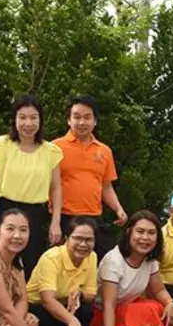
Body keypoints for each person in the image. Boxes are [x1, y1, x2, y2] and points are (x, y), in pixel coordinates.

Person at [89, 210, 173, 326]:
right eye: (140, 231)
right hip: (102, 317)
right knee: (147, 309)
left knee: (168, 309)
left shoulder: (150, 260)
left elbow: (158, 291)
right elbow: (108, 305)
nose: (145, 238)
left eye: (151, 233)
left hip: (125, 311)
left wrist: (170, 303)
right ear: (129, 232)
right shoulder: (114, 261)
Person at [0, 94, 63, 279]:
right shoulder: (1, 145)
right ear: (14, 119)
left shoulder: (51, 151)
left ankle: (25, 307)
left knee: (30, 267)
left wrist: (56, 222)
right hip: (5, 211)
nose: (28, 123)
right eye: (23, 117)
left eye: (33, 117)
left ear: (41, 120)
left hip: (36, 215)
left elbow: (56, 188)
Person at [52, 95, 128, 260]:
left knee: (108, 262)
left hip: (93, 217)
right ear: (68, 120)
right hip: (63, 217)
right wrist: (54, 222)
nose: (82, 122)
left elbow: (106, 186)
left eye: (87, 117)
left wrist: (118, 209)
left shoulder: (104, 151)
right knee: (61, 264)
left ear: (95, 121)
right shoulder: (55, 148)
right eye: (77, 117)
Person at [26, 216, 98, 326]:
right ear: (66, 238)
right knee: (43, 317)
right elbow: (47, 300)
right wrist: (72, 321)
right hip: (35, 306)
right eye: (77, 238)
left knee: (85, 311)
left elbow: (91, 295)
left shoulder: (92, 257)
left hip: (63, 305)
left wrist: (80, 293)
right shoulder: (51, 258)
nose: (83, 244)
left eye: (89, 240)